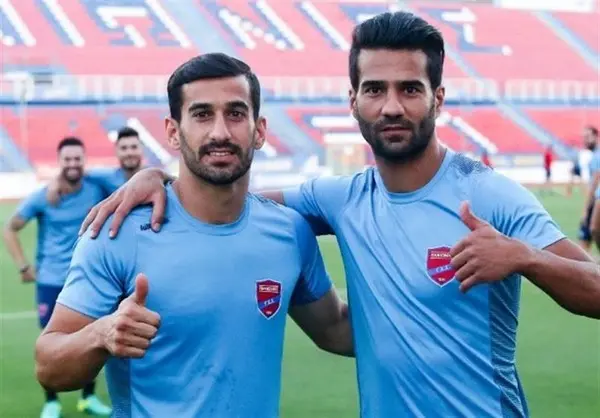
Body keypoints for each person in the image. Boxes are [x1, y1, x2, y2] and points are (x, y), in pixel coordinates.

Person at [79, 12, 600, 417]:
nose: (391, 106)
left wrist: (525, 258)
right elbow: (230, 197)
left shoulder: (488, 195)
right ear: (353, 101)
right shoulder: (339, 199)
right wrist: (159, 178)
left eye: (409, 89)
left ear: (438, 98)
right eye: (374, 89)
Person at [34, 53, 353, 418]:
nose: (220, 132)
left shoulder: (290, 232)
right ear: (173, 131)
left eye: (236, 113)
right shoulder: (117, 233)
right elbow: (49, 367)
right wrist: (100, 335)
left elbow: (336, 330)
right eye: (202, 114)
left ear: (260, 130)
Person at [2, 137, 112, 418]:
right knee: (48, 343)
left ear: (84, 161)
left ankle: (88, 397)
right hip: (51, 280)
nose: (73, 164)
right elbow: (10, 227)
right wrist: (23, 267)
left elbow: (125, 179)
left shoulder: (97, 188)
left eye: (77, 159)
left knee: (92, 341)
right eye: (68, 159)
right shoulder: (44, 195)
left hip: (88, 280)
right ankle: (51, 402)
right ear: (59, 161)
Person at [46, 126, 145, 204]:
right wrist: (55, 182)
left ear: (142, 149)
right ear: (116, 151)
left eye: (134, 147)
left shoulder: (153, 176)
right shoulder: (106, 177)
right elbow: (75, 171)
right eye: (124, 148)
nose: (129, 153)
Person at [579, 125, 600, 251]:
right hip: (595, 199)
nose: (585, 140)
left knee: (591, 230)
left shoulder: (597, 156)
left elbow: (595, 182)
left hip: (596, 199)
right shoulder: (594, 155)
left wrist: (586, 208)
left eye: (587, 137)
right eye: (583, 137)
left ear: (596, 137)